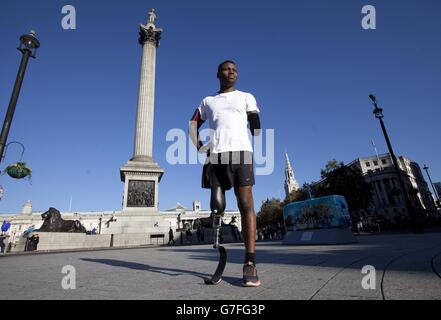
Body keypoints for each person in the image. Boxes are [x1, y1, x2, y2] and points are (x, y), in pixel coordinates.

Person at [189, 60, 262, 287]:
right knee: (216, 205)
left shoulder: (246, 96)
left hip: (242, 154)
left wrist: (255, 125)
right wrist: (200, 146)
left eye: (235, 70)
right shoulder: (208, 101)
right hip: (217, 156)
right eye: (227, 69)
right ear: (218, 74)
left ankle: (249, 263)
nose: (232, 72)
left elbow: (256, 125)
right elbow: (192, 123)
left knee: (246, 205)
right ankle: (218, 242)